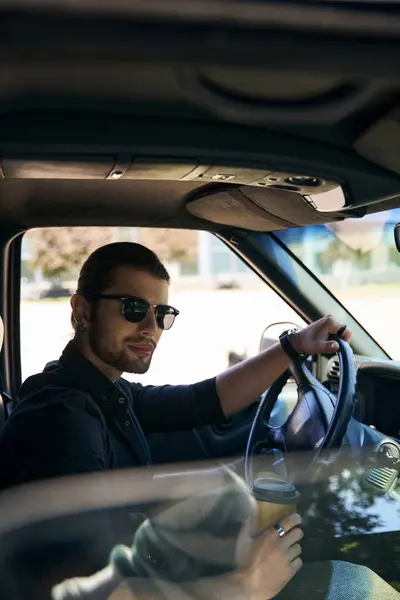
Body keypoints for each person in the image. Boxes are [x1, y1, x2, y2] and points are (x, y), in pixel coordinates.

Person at [0, 242, 350, 487]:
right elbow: (80, 580)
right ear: (83, 311)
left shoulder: (104, 389)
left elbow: (203, 402)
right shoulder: (64, 420)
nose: (150, 328)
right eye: (133, 308)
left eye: (161, 313)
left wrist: (291, 347)